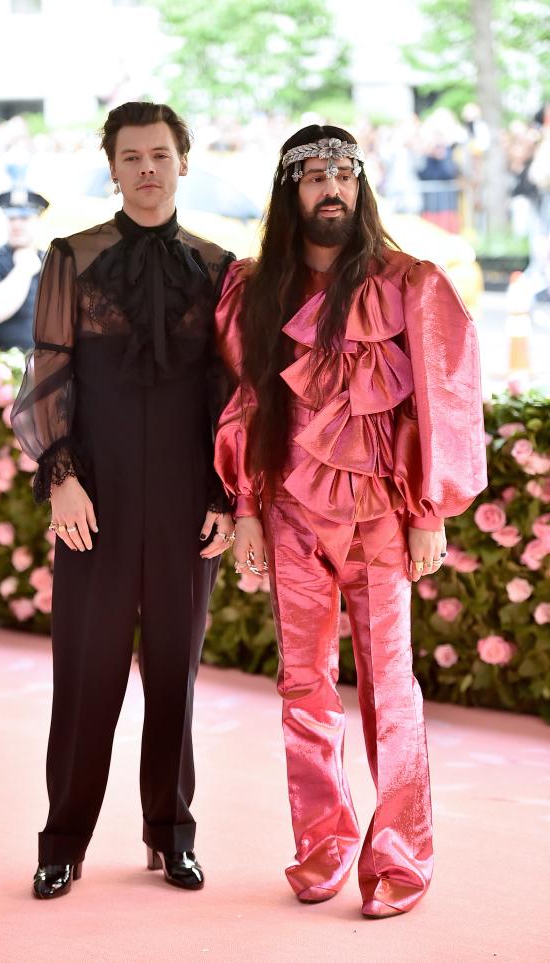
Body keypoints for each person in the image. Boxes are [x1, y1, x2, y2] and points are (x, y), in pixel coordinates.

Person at [214, 126, 487, 919]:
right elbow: (245, 407)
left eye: (345, 172)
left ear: (362, 186)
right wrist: (248, 512)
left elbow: (446, 397)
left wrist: (430, 509)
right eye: (314, 175)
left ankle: (401, 854)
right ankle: (324, 841)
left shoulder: (413, 283)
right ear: (289, 190)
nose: (332, 187)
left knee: (389, 692)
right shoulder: (255, 290)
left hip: (380, 523)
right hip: (292, 517)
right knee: (303, 686)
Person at [11, 102, 235, 900]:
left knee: (176, 668)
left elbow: (230, 394)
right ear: (111, 167)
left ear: (183, 162)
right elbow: (45, 373)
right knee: (86, 671)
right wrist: (60, 472)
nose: (146, 168)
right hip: (94, 496)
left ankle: (172, 834)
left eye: (160, 154)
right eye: (131, 156)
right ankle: (61, 839)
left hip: (186, 500)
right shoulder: (72, 256)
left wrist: (226, 493)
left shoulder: (220, 265)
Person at [0, 189, 48, 350]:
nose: (17, 224)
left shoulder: (54, 261)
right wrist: (23, 270)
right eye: (12, 218)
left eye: (24, 218)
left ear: (38, 220)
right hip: (2, 367)